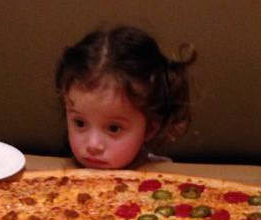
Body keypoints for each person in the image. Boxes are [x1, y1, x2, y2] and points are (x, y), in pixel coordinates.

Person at [55, 26, 196, 169]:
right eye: (79, 123)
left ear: (149, 129)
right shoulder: (58, 172)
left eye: (114, 128)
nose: (93, 145)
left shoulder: (162, 175)